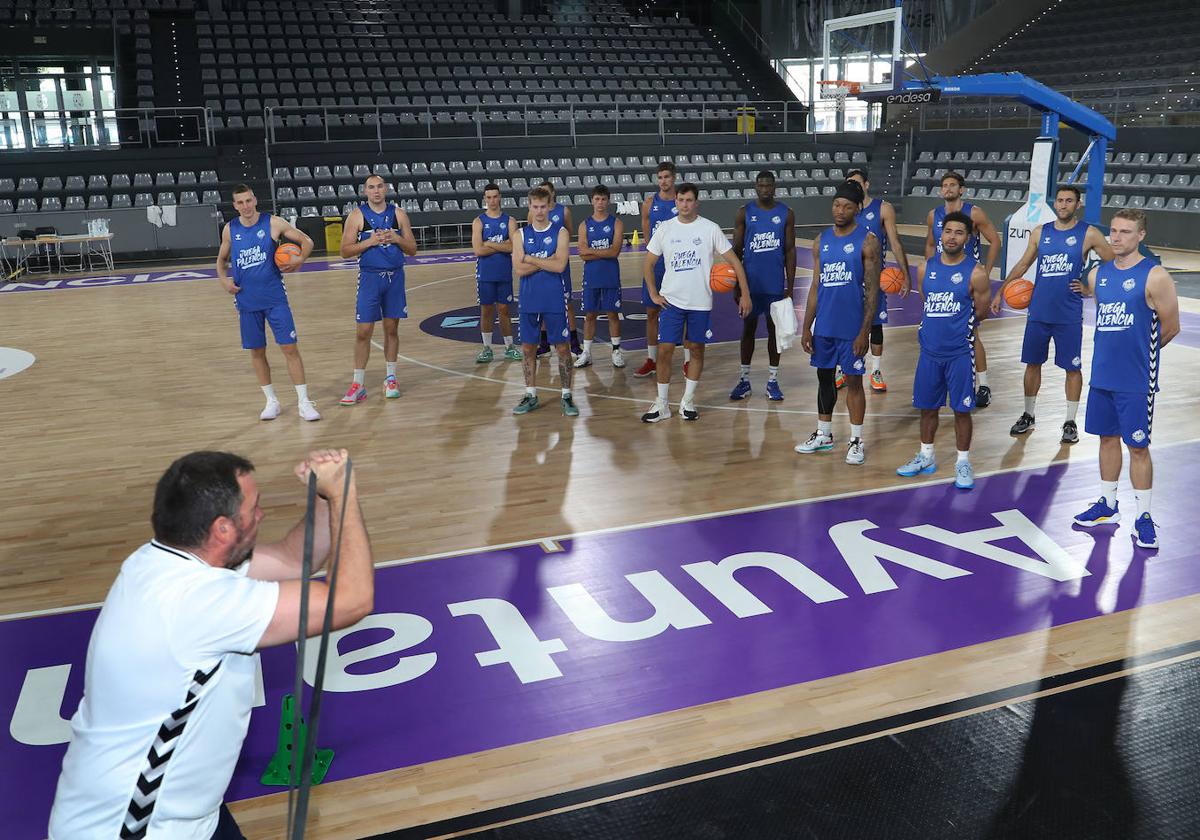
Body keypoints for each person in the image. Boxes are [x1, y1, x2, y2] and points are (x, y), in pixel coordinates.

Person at [49, 448, 373, 839]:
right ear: (222, 529)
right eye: (254, 508)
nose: (261, 515)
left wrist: (323, 498)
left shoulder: (161, 562)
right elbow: (352, 600)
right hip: (136, 829)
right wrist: (344, 495)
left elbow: (294, 560)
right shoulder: (199, 603)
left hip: (181, 816)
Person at [1071, 209, 1179, 549]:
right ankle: (1108, 505)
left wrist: (1142, 354)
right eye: (1114, 231)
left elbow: (1171, 326)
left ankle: (1143, 515)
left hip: (1135, 380)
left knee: (1138, 447)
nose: (1117, 238)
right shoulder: (1100, 274)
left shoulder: (1155, 275)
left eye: (1126, 232)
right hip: (1102, 375)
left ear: (1141, 236)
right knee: (1106, 439)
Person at [992, 184, 1114, 442]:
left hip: (1068, 314)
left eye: (1069, 201)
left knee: (1072, 368)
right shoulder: (1040, 232)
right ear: (1055, 204)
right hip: (1038, 311)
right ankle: (1028, 414)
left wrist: (1089, 288)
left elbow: (1112, 263)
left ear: (1077, 205)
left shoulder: (1089, 234)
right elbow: (1024, 263)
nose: (1063, 205)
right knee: (1032, 364)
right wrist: (1000, 290)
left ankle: (1070, 422)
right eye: (1059, 200)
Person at [896, 212, 991, 489]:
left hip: (960, 353)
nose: (951, 237)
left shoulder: (976, 272)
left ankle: (963, 462)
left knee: (962, 411)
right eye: (947, 231)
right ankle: (926, 456)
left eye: (958, 232)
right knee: (927, 408)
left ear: (968, 237)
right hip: (929, 352)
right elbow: (927, 303)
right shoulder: (926, 268)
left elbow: (981, 312)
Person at [641, 182, 750, 423]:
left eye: (689, 200)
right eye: (681, 200)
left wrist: (745, 293)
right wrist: (654, 294)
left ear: (696, 202)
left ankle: (688, 400)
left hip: (700, 303)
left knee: (697, 350)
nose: (684, 205)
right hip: (671, 302)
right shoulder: (666, 229)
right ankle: (662, 404)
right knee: (665, 351)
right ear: (676, 202)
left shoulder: (709, 229)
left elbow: (735, 262)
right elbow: (648, 263)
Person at [216, 184, 321, 422]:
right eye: (240, 203)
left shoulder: (273, 223)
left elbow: (307, 241)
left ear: (255, 200)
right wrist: (223, 281)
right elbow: (221, 260)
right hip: (246, 300)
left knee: (290, 348)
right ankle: (271, 401)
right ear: (235, 206)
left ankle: (304, 402)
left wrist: (300, 259)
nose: (245, 206)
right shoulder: (230, 229)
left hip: (275, 298)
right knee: (257, 351)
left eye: (248, 201)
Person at [795, 180, 880, 465]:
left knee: (854, 383)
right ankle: (824, 434)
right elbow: (816, 287)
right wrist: (806, 326)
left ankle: (856, 439)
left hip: (852, 327)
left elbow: (872, 290)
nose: (840, 210)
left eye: (846, 206)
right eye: (836, 204)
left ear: (857, 209)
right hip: (825, 327)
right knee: (824, 379)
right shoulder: (821, 241)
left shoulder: (867, 241)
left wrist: (864, 331)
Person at [338, 174, 418, 405]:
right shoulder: (357, 216)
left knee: (391, 329)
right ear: (365, 191)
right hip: (370, 279)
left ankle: (391, 378)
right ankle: (358, 384)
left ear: (386, 189)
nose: (376, 191)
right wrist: (370, 242)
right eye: (371, 187)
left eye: (379, 186)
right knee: (363, 331)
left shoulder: (398, 214)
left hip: (394, 278)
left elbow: (412, 249)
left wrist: (396, 238)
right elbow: (345, 251)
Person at [925, 171, 1000, 407]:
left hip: (966, 281)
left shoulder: (974, 212)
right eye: (944, 185)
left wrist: (986, 270)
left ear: (961, 189)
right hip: (942, 282)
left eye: (953, 185)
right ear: (940, 190)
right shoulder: (933, 215)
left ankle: (983, 384)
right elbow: (929, 244)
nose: (948, 189)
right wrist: (930, 271)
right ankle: (948, 381)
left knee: (972, 334)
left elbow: (995, 240)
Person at [729, 170, 795, 402]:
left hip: (774, 284)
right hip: (751, 284)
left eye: (768, 185)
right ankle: (744, 379)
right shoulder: (744, 212)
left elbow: (789, 250)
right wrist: (736, 285)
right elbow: (736, 251)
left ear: (774, 187)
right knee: (747, 330)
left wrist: (791, 285)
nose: (765, 189)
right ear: (755, 187)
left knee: (773, 332)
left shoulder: (786, 213)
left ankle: (773, 381)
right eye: (761, 185)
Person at [513, 186, 578, 417]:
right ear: (529, 207)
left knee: (562, 348)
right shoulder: (519, 235)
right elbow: (519, 270)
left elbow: (560, 266)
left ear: (549, 206)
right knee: (528, 348)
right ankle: (530, 393)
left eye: (543, 206)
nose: (539, 211)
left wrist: (530, 258)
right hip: (529, 300)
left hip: (554, 299)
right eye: (535, 206)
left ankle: (566, 395)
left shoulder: (561, 233)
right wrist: (545, 259)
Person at [846, 168, 910, 392]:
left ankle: (875, 370)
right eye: (849, 183)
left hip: (875, 280)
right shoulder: (847, 209)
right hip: (850, 280)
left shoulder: (883, 208)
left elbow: (895, 243)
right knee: (848, 326)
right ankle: (845, 368)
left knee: (875, 325)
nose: (853, 187)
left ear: (866, 184)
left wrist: (905, 275)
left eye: (857, 182)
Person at [635, 160, 680, 378]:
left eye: (667, 177)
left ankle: (688, 360)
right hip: (657, 265)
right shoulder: (649, 203)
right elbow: (647, 237)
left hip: (678, 265)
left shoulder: (681, 202)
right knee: (652, 312)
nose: (663, 181)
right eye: (660, 177)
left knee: (684, 311)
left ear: (674, 178)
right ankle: (651, 359)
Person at [575, 184, 625, 369]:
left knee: (612, 313)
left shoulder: (616, 223)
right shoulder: (584, 225)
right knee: (590, 314)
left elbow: (615, 251)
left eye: (603, 199)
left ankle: (616, 351)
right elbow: (582, 253)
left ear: (608, 201)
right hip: (592, 276)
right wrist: (606, 251)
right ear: (591, 201)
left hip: (610, 275)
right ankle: (586, 352)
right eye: (597, 199)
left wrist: (592, 251)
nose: (600, 203)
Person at [529, 181, 582, 357]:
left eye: (546, 192)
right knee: (542, 305)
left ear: (552, 193)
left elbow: (568, 236)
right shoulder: (533, 214)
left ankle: (574, 343)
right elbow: (531, 237)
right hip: (541, 267)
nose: (543, 194)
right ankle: (544, 345)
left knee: (568, 305)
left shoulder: (563, 211)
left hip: (560, 267)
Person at [471, 182, 522, 363]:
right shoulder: (478, 222)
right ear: (485, 199)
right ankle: (487, 348)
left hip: (503, 273)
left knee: (504, 310)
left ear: (500, 197)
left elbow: (514, 247)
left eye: (495, 196)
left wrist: (490, 243)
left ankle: (509, 347)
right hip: (485, 274)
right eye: (489, 197)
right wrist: (503, 246)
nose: (492, 200)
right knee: (486, 310)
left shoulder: (510, 221)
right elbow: (478, 251)